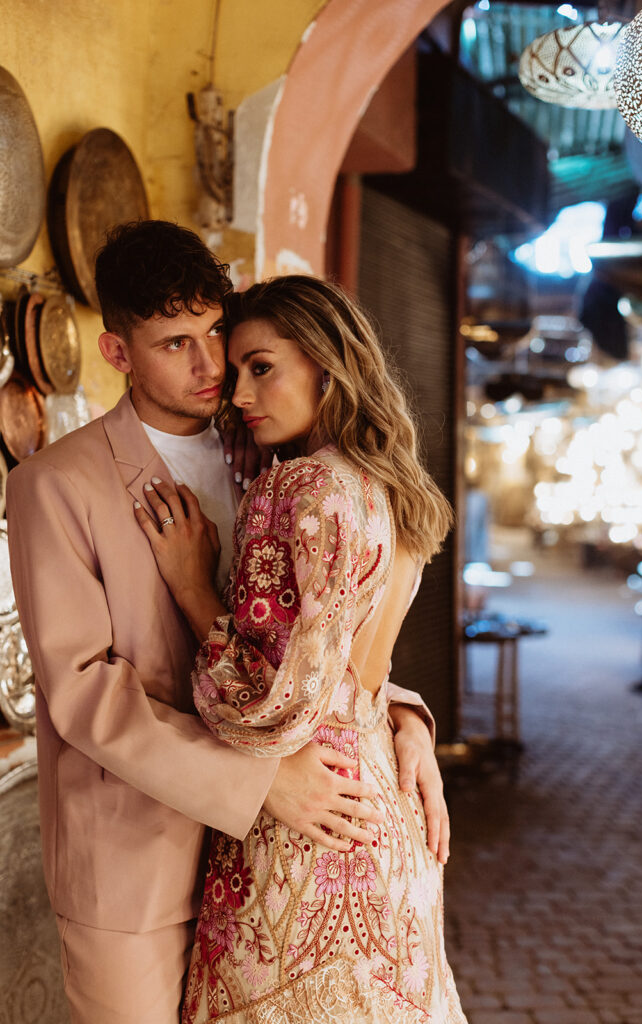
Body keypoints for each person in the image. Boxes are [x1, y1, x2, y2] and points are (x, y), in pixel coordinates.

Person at [6, 223, 445, 1024]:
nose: (211, 366)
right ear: (117, 354)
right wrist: (259, 780)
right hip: (139, 860)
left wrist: (403, 721)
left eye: (216, 332)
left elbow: (310, 637)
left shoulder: (274, 461)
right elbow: (80, 690)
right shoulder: (53, 484)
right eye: (176, 343)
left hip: (265, 867)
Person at [135, 275, 467, 1022]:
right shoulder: (390, 488)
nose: (240, 394)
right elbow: (363, 679)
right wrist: (409, 724)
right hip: (384, 820)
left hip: (307, 828)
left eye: (261, 367)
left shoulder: (297, 490)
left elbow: (268, 711)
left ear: (325, 363)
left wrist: (192, 586)